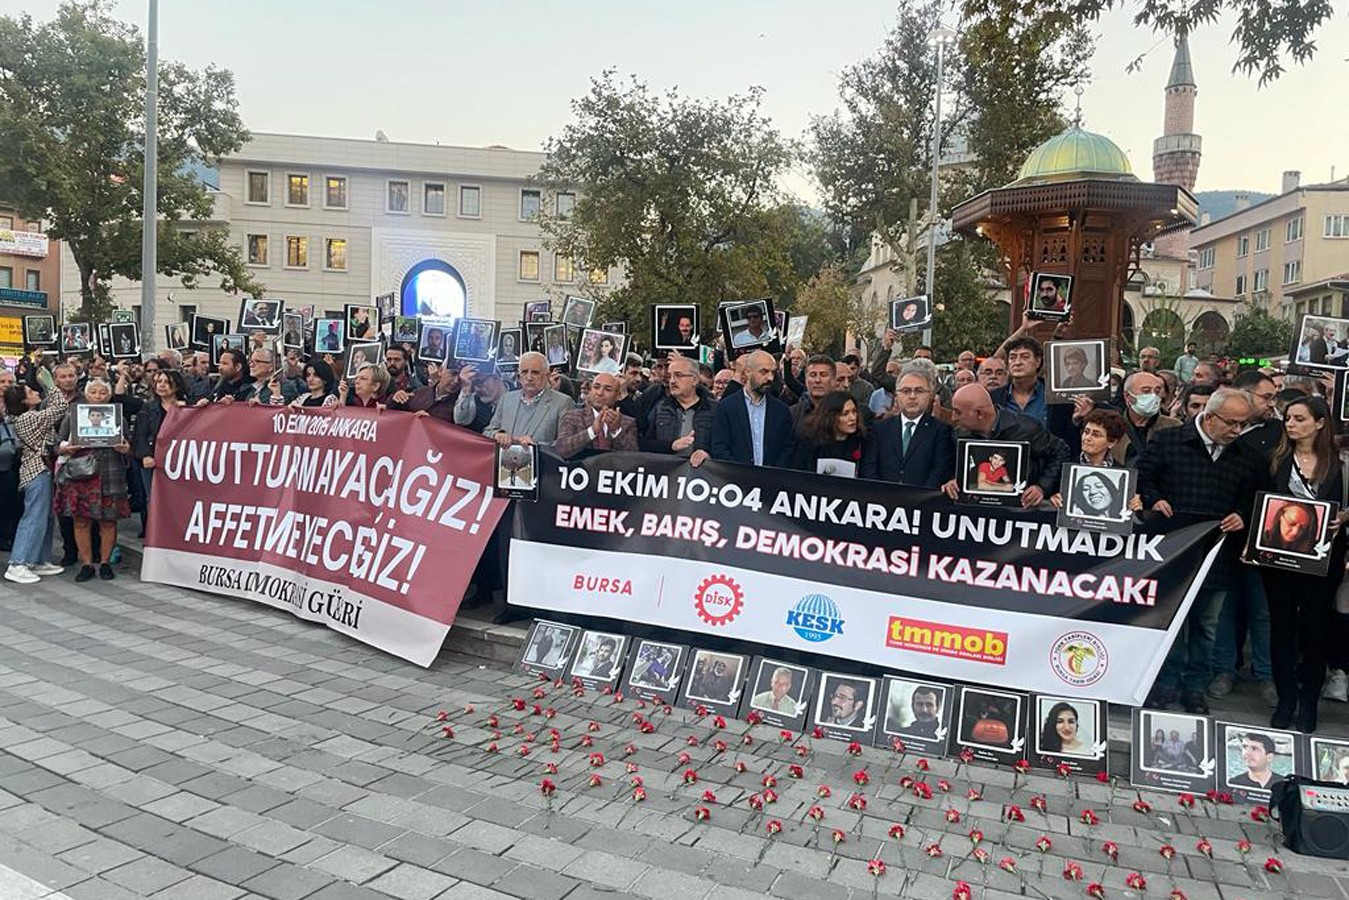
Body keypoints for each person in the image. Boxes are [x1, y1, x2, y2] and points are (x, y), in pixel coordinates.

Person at [1139, 387, 1264, 715]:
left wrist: (1244, 514)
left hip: (1217, 555)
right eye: (1232, 423)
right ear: (1209, 417)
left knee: (1207, 625)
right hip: (1172, 554)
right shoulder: (1170, 442)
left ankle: (1195, 686)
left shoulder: (1246, 454)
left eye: (1243, 424)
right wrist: (1154, 499)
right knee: (1171, 623)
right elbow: (1142, 479)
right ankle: (1165, 683)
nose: (1238, 431)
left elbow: (1256, 496)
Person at [1255, 396, 1346, 732]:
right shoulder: (1274, 460)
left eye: (1299, 419)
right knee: (1281, 629)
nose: (1291, 424)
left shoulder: (1338, 463)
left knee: (1315, 631)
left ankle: (1308, 703)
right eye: (1288, 418)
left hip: (1323, 562)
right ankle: (1287, 699)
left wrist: (1344, 517)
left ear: (1320, 423)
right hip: (1279, 560)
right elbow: (1260, 504)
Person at [942, 384, 1070, 509]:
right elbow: (956, 467)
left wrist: (1042, 486)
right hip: (977, 509)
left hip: (1022, 510)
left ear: (980, 414)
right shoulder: (959, 434)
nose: (953, 418)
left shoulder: (1025, 428)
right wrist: (954, 481)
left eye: (958, 412)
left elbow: (1060, 451)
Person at [53, 379, 131, 583]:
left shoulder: (117, 416)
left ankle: (104, 562)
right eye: (94, 392)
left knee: (108, 520)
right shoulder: (73, 414)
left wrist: (125, 449)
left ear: (109, 395)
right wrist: (66, 448)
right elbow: (57, 443)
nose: (98, 396)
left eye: (102, 392)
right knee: (81, 520)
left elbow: (128, 444)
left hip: (110, 471)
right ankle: (86, 563)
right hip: (81, 473)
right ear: (86, 395)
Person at [2, 384, 68, 583]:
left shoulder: (28, 417)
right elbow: (60, 407)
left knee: (45, 517)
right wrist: (50, 383)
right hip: (36, 471)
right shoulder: (29, 418)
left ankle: (38, 558)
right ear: (24, 401)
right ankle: (18, 563)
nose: (37, 393)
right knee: (34, 517)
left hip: (42, 468)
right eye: (31, 392)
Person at [860, 366, 954, 488]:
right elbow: (869, 469)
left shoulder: (942, 431)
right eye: (905, 391)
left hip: (922, 502)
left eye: (919, 391)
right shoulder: (879, 429)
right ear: (896, 395)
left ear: (930, 395)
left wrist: (917, 499)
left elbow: (940, 470)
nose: (912, 396)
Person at [710, 350, 794, 468]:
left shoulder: (782, 411)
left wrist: (773, 474)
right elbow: (719, 447)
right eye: (764, 372)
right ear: (748, 372)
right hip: (734, 480)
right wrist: (742, 474)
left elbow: (787, 450)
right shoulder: (726, 407)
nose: (770, 378)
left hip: (772, 481)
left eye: (773, 372)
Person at [484, 351, 573, 449]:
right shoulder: (506, 399)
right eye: (524, 372)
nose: (529, 377)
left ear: (547, 376)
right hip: (505, 462)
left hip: (541, 462)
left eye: (535, 372)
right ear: (519, 376)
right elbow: (487, 432)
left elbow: (567, 445)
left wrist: (536, 446)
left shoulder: (563, 403)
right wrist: (497, 434)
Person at [129, 369, 188, 510]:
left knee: (179, 499)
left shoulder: (187, 406)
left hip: (179, 462)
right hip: (153, 462)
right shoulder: (148, 407)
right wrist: (145, 455)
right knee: (153, 499)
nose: (162, 385)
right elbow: (140, 434)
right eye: (159, 382)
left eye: (167, 382)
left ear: (177, 386)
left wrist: (191, 409)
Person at [640, 355, 715, 465]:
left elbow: (725, 445)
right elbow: (644, 444)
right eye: (670, 376)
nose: (672, 381)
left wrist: (708, 455)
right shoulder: (659, 408)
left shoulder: (714, 409)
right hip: (666, 475)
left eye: (678, 375)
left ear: (695, 380)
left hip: (702, 477)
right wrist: (671, 446)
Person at [555, 373, 639, 458]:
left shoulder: (628, 422)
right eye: (596, 387)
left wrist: (616, 431)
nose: (600, 393)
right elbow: (562, 449)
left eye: (608, 389)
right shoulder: (573, 416)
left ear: (618, 396)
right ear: (590, 391)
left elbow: (633, 457)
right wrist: (592, 431)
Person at [790, 391, 865, 475]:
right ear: (831, 417)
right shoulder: (809, 441)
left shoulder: (862, 442)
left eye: (854, 412)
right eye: (845, 414)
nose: (853, 418)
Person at [1113, 372, 1180, 466]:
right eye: (1146, 391)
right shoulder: (1113, 425)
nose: (1153, 396)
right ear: (1127, 396)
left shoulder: (1174, 427)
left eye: (1157, 391)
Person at [452, 367, 505, 432]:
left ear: (496, 378)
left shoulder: (517, 397)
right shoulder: (473, 399)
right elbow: (461, 420)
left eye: (479, 382)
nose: (477, 389)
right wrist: (466, 389)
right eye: (473, 384)